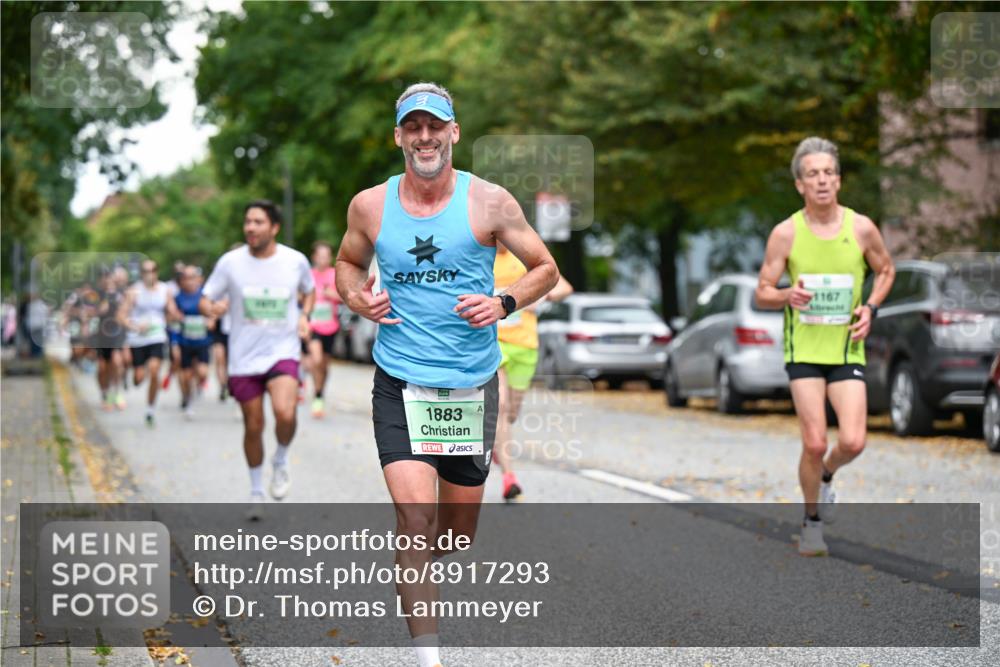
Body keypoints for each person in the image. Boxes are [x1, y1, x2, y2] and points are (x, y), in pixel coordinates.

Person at [336, 82, 559, 667]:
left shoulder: (490, 202)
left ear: (454, 132)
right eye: (413, 127)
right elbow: (347, 263)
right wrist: (357, 300)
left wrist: (504, 303)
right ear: (399, 137)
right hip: (400, 378)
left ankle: (420, 575)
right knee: (414, 518)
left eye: (435, 125)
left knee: (456, 537)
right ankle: (428, 655)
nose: (425, 136)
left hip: (470, 381)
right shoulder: (369, 206)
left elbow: (546, 268)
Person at [756, 136, 895, 557]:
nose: (822, 181)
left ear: (839, 180)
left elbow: (886, 270)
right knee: (814, 442)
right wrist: (786, 296)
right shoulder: (786, 233)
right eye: (813, 174)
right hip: (803, 353)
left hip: (846, 349)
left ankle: (828, 476)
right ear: (800, 184)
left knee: (853, 441)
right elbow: (762, 290)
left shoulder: (861, 228)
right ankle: (811, 523)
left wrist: (870, 307)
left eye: (829, 173)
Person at [201, 200, 314, 519]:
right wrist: (211, 308)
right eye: (247, 221)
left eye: (258, 222)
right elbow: (205, 298)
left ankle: (280, 458)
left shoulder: (295, 261)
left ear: (274, 227)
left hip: (282, 351)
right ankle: (255, 490)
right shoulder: (230, 263)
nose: (250, 227)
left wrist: (304, 315)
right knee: (254, 425)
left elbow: (310, 290)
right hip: (244, 356)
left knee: (285, 412)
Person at [492, 242, 573, 501]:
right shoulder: (480, 255)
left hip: (526, 345)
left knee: (512, 412)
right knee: (501, 405)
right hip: (494, 342)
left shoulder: (525, 258)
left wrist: (542, 295)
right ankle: (509, 477)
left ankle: (496, 445)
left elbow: (563, 286)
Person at [119, 259, 172, 427]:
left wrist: (170, 318)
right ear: (142, 273)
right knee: (139, 378)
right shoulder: (134, 291)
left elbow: (172, 311)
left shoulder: (165, 290)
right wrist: (133, 326)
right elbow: (121, 315)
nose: (150, 274)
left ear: (157, 272)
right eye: (146, 271)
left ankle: (150, 409)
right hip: (138, 339)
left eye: (153, 270)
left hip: (157, 337)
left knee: (155, 370)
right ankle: (135, 376)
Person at [306, 240, 341, 418]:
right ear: (314, 257)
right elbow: (301, 296)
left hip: (331, 326)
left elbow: (344, 297)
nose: (323, 260)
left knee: (325, 365)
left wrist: (330, 294)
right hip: (313, 326)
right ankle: (317, 394)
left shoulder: (335, 274)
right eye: (320, 256)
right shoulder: (308, 275)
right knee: (316, 360)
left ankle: (320, 393)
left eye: (326, 256)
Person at [173, 266, 213, 420]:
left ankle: (198, 385)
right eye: (186, 278)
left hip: (202, 341)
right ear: (182, 281)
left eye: (192, 277)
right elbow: (173, 322)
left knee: (202, 373)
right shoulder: (178, 298)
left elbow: (214, 313)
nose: (189, 281)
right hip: (185, 342)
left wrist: (211, 320)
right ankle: (188, 401)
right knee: (186, 376)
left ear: (199, 279)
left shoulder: (205, 296)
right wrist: (175, 343)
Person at [94, 270, 128, 410]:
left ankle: (116, 393)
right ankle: (105, 394)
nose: (110, 285)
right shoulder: (97, 295)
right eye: (107, 282)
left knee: (117, 362)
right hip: (102, 337)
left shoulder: (121, 295)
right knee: (103, 368)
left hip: (117, 335)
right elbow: (98, 312)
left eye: (112, 282)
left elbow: (126, 311)